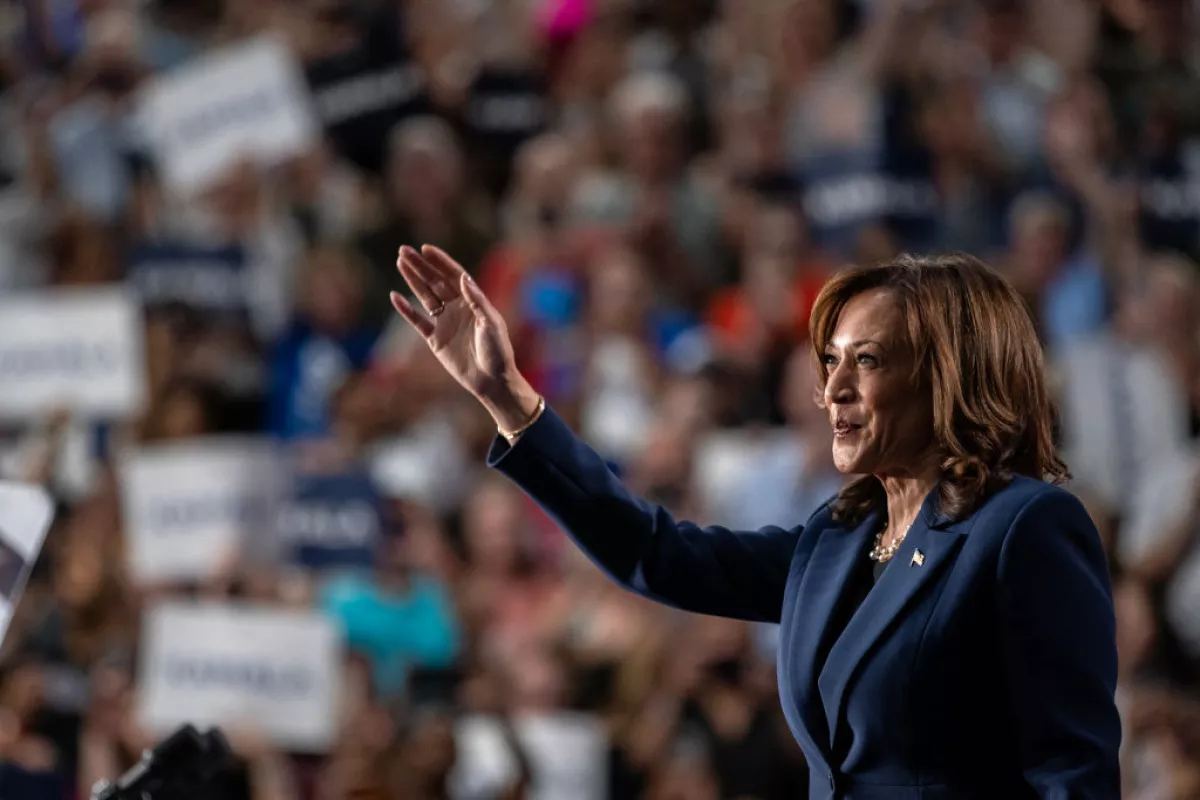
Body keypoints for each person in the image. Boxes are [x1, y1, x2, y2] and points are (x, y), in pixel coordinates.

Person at [388, 245, 1122, 799]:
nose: (832, 388)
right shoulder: (836, 539)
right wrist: (508, 398)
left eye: (866, 360)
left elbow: (1072, 774)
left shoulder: (1024, 527)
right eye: (830, 361)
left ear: (947, 376)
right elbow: (655, 552)